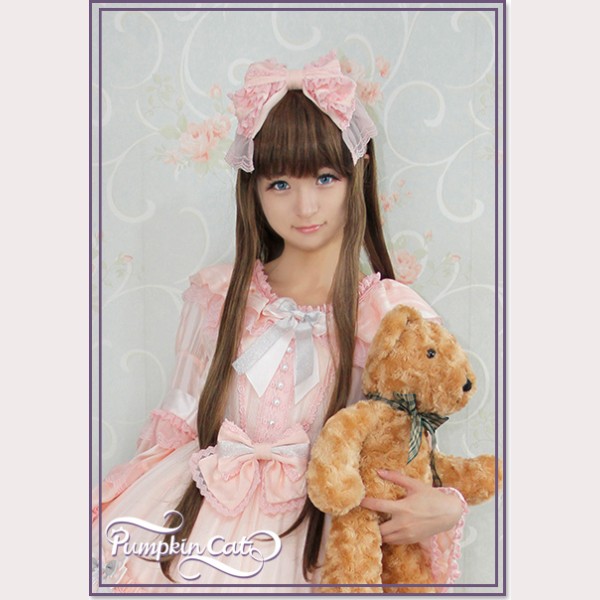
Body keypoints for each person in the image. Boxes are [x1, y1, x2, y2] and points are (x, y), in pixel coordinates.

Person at [91, 51, 468, 594]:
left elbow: (408, 445)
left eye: (324, 177)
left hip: (319, 534)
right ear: (253, 189)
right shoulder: (221, 295)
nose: (305, 206)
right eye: (280, 184)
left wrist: (447, 505)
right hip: (201, 518)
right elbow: (178, 425)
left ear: (356, 176)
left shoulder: (388, 315)